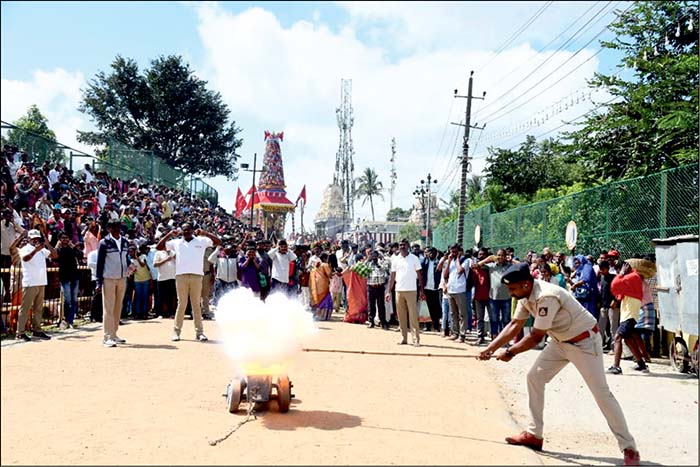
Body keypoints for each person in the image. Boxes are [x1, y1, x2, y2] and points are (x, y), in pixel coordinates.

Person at [477, 262, 641, 467]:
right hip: (560, 341)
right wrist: (490, 349)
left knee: (601, 393)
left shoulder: (547, 295)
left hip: (584, 342)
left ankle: (629, 448)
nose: (510, 293)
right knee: (534, 377)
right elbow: (514, 324)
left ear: (526, 284)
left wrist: (510, 352)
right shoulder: (525, 294)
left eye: (513, 289)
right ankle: (534, 435)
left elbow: (536, 336)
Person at [157, 223, 221, 342]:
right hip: (181, 276)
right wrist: (169, 234)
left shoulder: (201, 240)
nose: (186, 232)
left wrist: (205, 233)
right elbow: (159, 247)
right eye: (184, 230)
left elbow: (218, 242)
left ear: (192, 230)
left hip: (197, 276)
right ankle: (176, 332)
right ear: (181, 231)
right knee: (181, 304)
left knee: (196, 305)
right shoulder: (176, 242)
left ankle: (200, 333)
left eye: (188, 230)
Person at [607, 262, 649, 375]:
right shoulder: (634, 277)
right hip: (629, 313)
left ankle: (616, 366)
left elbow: (614, 286)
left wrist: (621, 274)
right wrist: (617, 299)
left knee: (618, 337)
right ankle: (641, 364)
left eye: (618, 270)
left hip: (629, 314)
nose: (617, 273)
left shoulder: (632, 276)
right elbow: (620, 291)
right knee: (629, 339)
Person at [16, 229, 58, 341]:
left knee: (38, 308)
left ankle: (37, 330)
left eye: (37, 238)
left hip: (41, 282)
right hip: (30, 282)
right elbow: (25, 259)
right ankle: (20, 332)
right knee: (25, 308)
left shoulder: (42, 249)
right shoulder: (25, 249)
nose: (35, 240)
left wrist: (47, 244)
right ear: (29, 239)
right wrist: (35, 250)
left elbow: (54, 255)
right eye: (33, 238)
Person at [95, 219, 131, 347]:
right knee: (108, 308)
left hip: (122, 278)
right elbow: (99, 264)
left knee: (118, 307)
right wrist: (98, 282)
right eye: (113, 227)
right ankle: (107, 337)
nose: (116, 230)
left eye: (117, 227)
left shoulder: (125, 242)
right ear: (109, 229)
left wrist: (130, 266)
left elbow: (126, 259)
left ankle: (114, 334)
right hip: (108, 278)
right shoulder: (104, 243)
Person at [385, 238, 425, 347]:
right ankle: (404, 338)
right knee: (401, 316)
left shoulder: (414, 258)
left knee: (413, 315)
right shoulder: (396, 259)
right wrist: (389, 292)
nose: (402, 247)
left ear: (408, 246)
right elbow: (392, 277)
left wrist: (422, 291)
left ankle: (416, 339)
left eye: (404, 245)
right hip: (399, 290)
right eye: (401, 245)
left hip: (411, 290)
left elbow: (420, 275)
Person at [474, 249, 512, 340]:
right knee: (494, 319)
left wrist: (511, 259)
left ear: (505, 256)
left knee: (506, 319)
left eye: (502, 255)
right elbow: (475, 266)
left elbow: (522, 266)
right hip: (493, 298)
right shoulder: (491, 266)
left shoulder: (509, 266)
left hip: (506, 297)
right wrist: (487, 259)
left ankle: (504, 338)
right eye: (498, 255)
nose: (500, 257)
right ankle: (494, 337)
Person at [442, 243, 473, 342]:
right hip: (451, 289)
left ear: (459, 251)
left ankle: (462, 335)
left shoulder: (466, 260)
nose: (453, 253)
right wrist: (450, 260)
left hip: (460, 290)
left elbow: (460, 270)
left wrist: (458, 259)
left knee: (462, 314)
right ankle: (455, 333)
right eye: (451, 252)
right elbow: (445, 275)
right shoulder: (450, 261)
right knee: (453, 313)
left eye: (455, 252)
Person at [55, 231, 80, 329]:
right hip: (64, 278)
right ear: (60, 240)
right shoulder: (59, 250)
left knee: (74, 299)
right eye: (63, 238)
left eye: (66, 237)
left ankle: (71, 320)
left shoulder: (72, 249)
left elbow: (80, 255)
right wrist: (57, 246)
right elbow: (54, 257)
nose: (65, 239)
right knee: (67, 299)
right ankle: (65, 319)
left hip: (74, 277)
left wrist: (73, 246)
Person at [365, 249, 390, 329]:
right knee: (371, 306)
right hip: (371, 287)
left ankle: (383, 322)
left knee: (381, 306)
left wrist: (380, 261)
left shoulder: (382, 262)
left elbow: (386, 268)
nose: (374, 257)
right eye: (373, 255)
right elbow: (363, 268)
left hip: (380, 287)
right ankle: (371, 322)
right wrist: (368, 259)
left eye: (375, 255)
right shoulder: (368, 263)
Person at [421, 247, 442, 332]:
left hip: (435, 288)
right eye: (430, 252)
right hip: (426, 288)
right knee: (427, 308)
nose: (431, 254)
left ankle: (436, 326)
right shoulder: (424, 262)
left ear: (436, 253)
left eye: (433, 252)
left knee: (436, 308)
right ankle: (427, 326)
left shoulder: (438, 262)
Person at [571, 255, 599, 319]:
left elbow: (586, 279)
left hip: (590, 296)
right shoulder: (579, 270)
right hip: (582, 296)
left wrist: (575, 285)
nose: (576, 264)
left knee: (589, 315)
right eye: (575, 263)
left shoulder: (587, 266)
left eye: (578, 263)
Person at [153, 240, 177, 318]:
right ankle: (160, 313)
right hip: (162, 278)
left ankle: (171, 313)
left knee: (171, 297)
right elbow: (155, 264)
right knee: (161, 297)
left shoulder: (173, 252)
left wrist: (172, 255)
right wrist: (166, 259)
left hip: (172, 277)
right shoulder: (158, 253)